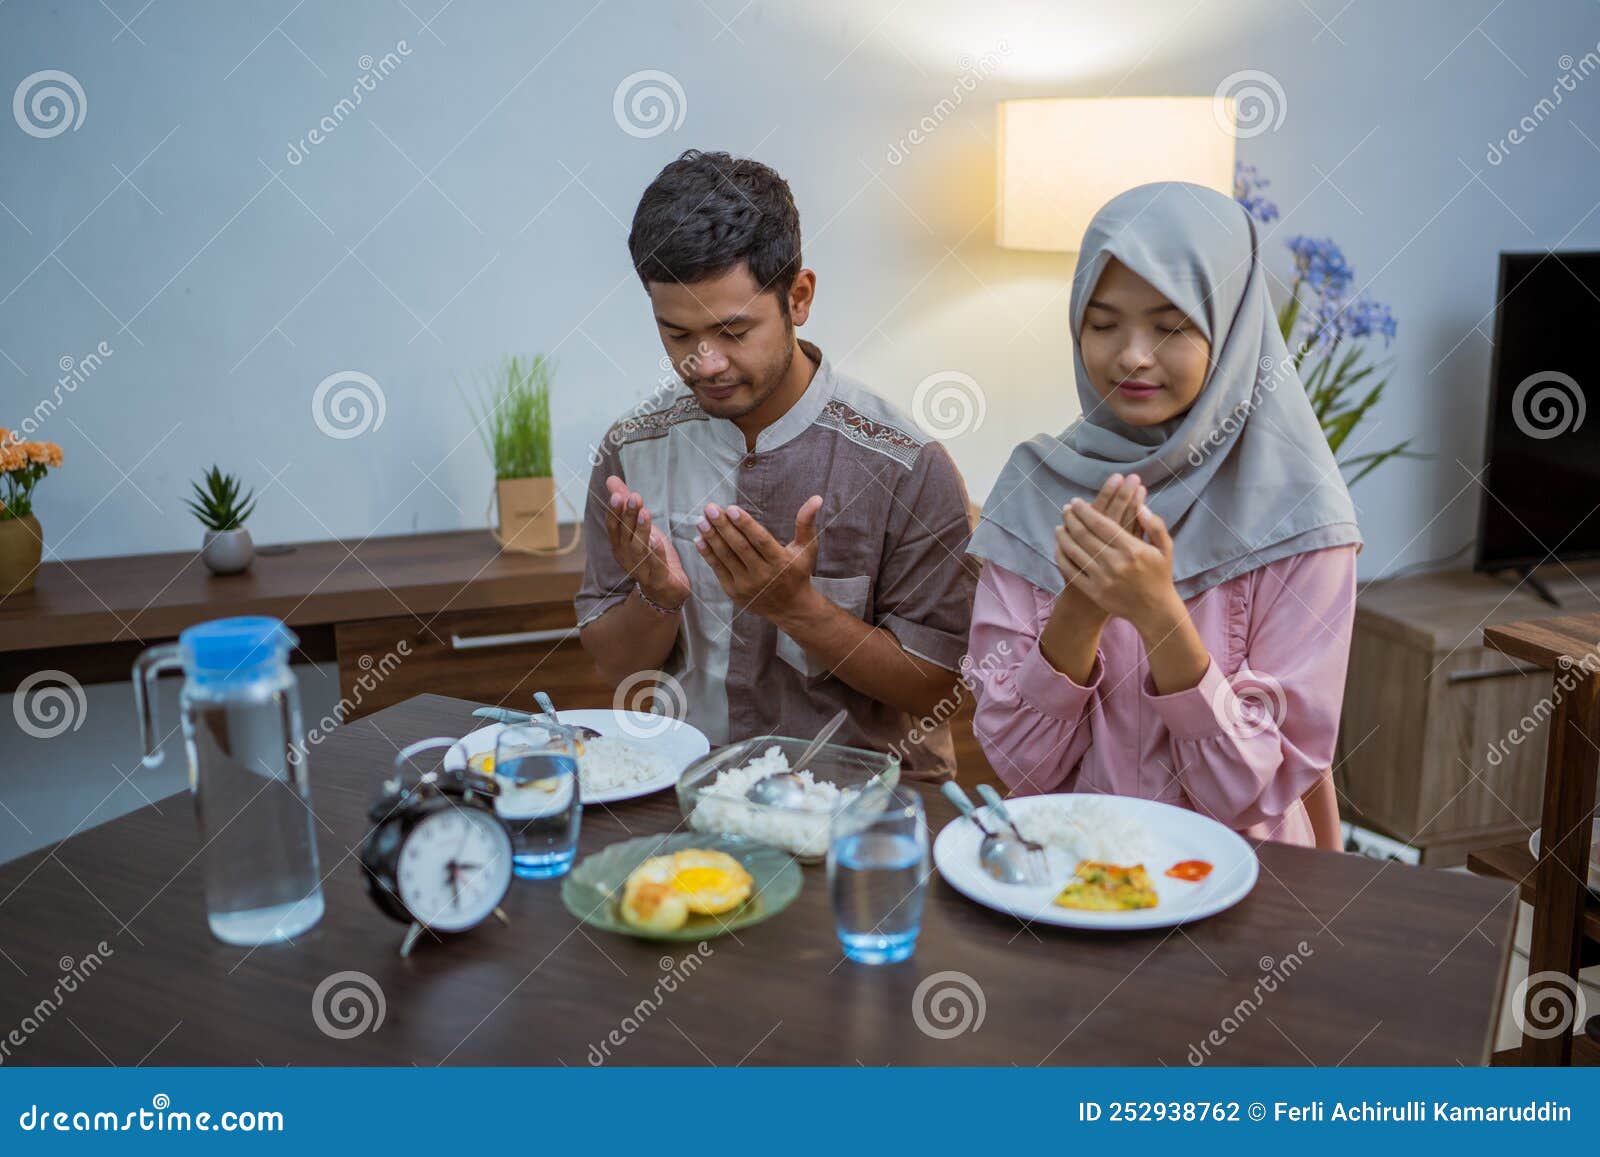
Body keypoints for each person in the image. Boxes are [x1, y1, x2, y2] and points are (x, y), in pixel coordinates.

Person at [966, 181, 1362, 848]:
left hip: (1246, 893)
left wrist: (1158, 614)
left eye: (1171, 324)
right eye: (1103, 322)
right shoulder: (1035, 491)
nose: (1132, 355)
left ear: (1231, 327)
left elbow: (1257, 791)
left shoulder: (1302, 515)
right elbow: (1019, 766)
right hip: (1075, 875)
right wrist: (1081, 608)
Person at [576, 150, 977, 779]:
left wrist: (796, 608)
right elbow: (618, 671)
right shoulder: (632, 453)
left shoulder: (904, 465)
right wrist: (656, 597)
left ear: (799, 296)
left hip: (864, 811)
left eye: (733, 332)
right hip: (688, 793)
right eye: (678, 335)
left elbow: (943, 692)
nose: (705, 363)